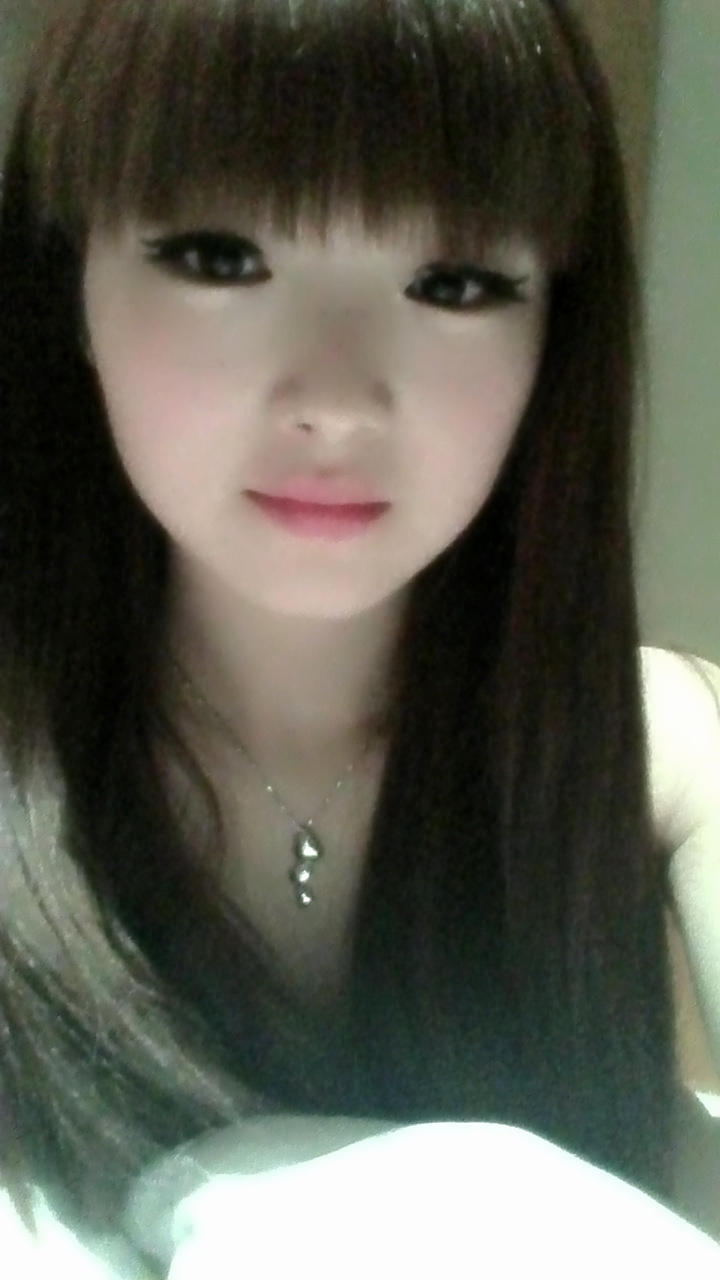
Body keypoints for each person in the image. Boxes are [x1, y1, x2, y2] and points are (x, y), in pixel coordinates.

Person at [1, 0, 720, 1274]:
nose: (335, 401)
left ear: (554, 329)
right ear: (69, 286)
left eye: (455, 283)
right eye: (219, 257)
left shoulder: (661, 747)